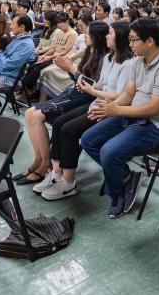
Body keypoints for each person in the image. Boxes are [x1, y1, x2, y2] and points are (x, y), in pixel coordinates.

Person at [80, 18, 159, 219]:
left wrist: (116, 111)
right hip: (131, 115)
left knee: (109, 152)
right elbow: (128, 94)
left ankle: (117, 194)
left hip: (153, 126)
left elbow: (154, 109)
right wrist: (111, 107)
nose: (130, 44)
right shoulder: (137, 61)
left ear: (150, 41)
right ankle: (126, 176)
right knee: (88, 140)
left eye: (134, 40)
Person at [34, 21, 136, 200]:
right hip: (97, 101)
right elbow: (100, 83)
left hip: (109, 108)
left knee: (69, 130)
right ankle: (56, 174)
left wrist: (92, 90)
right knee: (58, 123)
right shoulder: (109, 58)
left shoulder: (129, 64)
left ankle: (68, 182)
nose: (106, 36)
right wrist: (83, 84)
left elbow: (120, 95)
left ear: (119, 38)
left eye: (110, 33)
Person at [18, 21, 110, 185]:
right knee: (29, 113)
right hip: (74, 91)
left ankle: (46, 163)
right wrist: (69, 70)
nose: (85, 36)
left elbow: (93, 86)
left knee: (38, 116)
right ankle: (39, 160)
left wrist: (72, 70)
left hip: (85, 98)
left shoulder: (105, 59)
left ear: (97, 37)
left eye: (88, 34)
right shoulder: (88, 51)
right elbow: (77, 78)